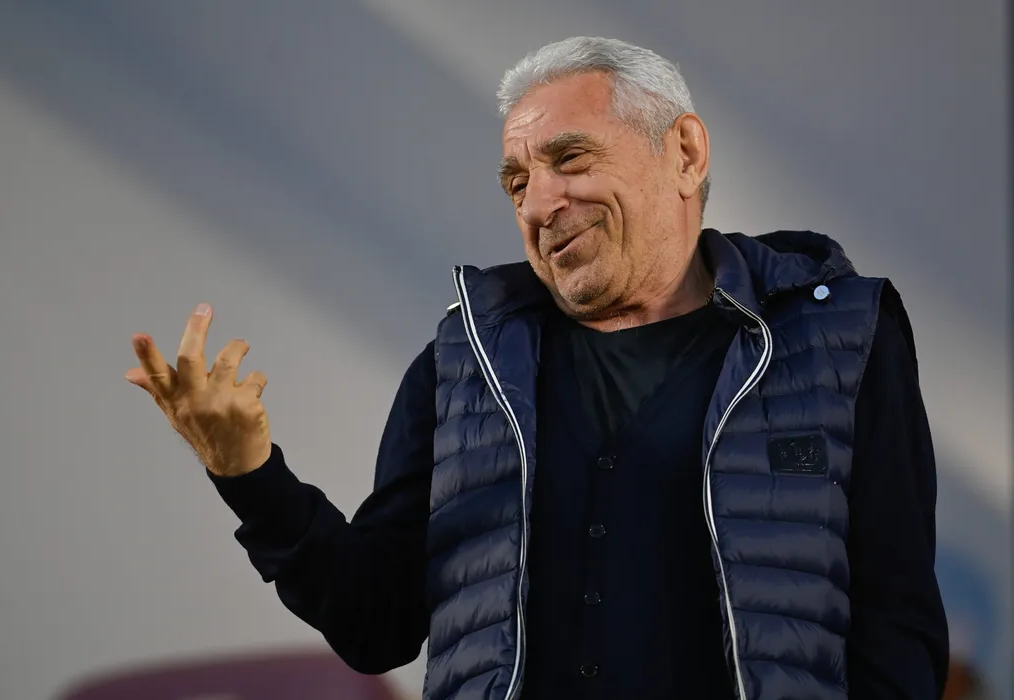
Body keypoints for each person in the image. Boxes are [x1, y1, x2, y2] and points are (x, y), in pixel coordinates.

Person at [126, 37, 949, 700]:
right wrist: (250, 476)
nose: (538, 204)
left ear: (685, 153)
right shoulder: (463, 364)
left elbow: (898, 629)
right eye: (517, 181)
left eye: (571, 160)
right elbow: (377, 624)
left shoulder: (838, 334)